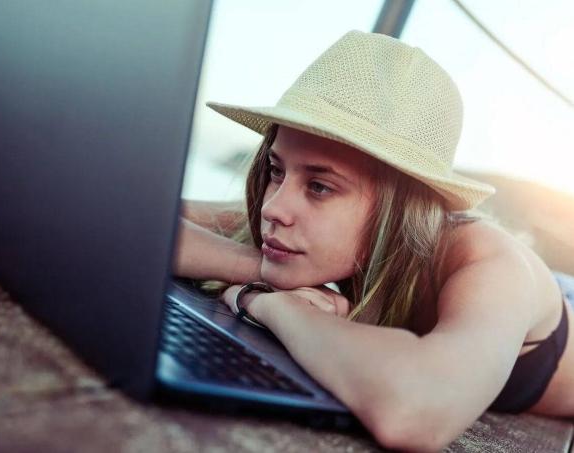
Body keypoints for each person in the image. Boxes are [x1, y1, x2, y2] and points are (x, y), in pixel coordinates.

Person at [174, 30, 574, 452]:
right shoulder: (304, 218)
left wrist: (267, 303)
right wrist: (257, 268)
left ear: (400, 207)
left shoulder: (489, 266)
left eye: (319, 187)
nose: (273, 208)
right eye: (277, 170)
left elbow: (416, 411)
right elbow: (143, 217)